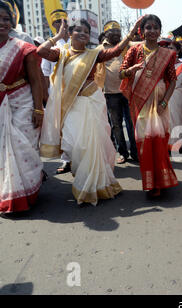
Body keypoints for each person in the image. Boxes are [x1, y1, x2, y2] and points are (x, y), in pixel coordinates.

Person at [38, 18, 142, 205]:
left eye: (86, 31)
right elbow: (40, 51)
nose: (83, 33)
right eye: (78, 30)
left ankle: (95, 186)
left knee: (92, 146)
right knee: (78, 147)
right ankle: (84, 180)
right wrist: (57, 37)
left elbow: (116, 51)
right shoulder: (61, 53)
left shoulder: (94, 54)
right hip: (71, 107)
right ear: (70, 33)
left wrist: (132, 30)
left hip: (91, 103)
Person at [120, 14, 178, 197]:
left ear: (160, 30)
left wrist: (164, 102)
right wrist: (131, 70)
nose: (152, 31)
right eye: (148, 28)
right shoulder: (134, 51)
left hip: (159, 102)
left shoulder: (167, 54)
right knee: (145, 142)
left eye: (155, 27)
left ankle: (161, 181)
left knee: (159, 141)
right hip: (140, 101)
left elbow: (172, 81)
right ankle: (150, 183)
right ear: (142, 31)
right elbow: (121, 74)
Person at [0, 1, 44, 213]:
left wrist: (38, 109)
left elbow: (36, 81)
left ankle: (28, 193)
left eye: (6, 19)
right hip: (1, 106)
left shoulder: (23, 48)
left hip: (22, 104)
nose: (2, 23)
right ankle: (8, 194)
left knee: (23, 149)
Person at [101, 20, 139, 164]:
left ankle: (135, 152)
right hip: (110, 93)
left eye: (118, 31)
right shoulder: (101, 49)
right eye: (113, 31)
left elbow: (139, 44)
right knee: (116, 125)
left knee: (131, 122)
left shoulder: (126, 45)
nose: (117, 34)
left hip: (127, 90)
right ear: (106, 33)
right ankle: (122, 152)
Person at [40, 9, 72, 175]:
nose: (62, 25)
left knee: (76, 125)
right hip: (58, 94)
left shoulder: (78, 41)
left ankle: (79, 157)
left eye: (64, 21)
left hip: (76, 94)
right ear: (53, 25)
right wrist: (47, 96)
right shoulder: (51, 45)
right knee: (63, 127)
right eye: (58, 22)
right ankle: (67, 160)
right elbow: (45, 73)